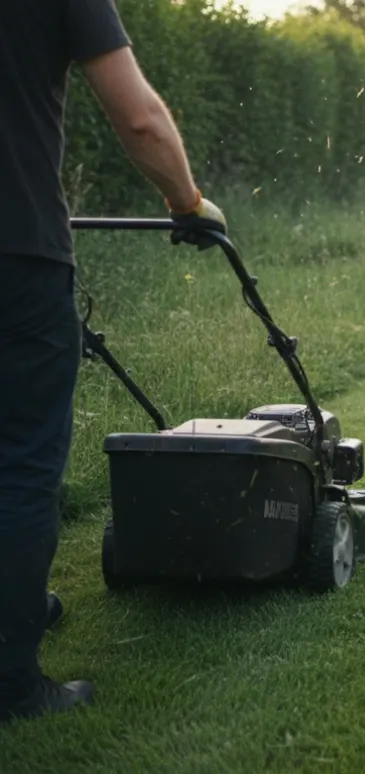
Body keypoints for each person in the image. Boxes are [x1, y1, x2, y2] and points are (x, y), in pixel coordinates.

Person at [1, 0, 225, 724]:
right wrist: (186, 202)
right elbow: (139, 119)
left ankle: (22, 601)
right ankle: (11, 685)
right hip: (16, 262)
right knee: (22, 465)